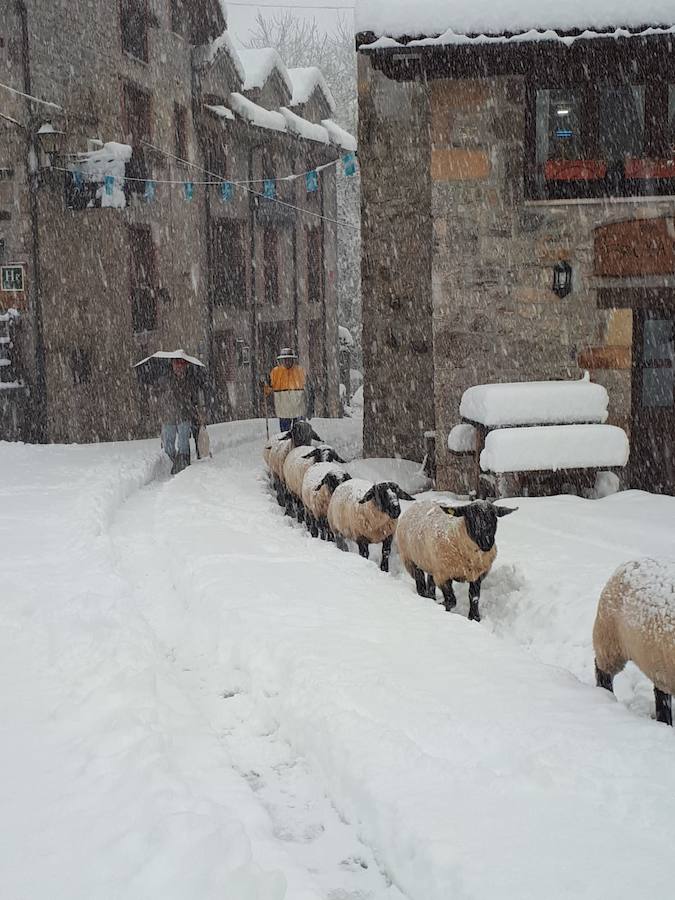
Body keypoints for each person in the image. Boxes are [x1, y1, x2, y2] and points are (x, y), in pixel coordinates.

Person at [160, 358, 205, 474]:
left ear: (185, 366)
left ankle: (183, 464)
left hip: (184, 414)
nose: (179, 368)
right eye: (176, 365)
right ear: (173, 365)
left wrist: (196, 410)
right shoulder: (166, 379)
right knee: (168, 443)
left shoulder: (190, 380)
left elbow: (193, 398)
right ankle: (173, 462)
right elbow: (161, 395)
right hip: (168, 415)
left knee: (183, 442)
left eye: (181, 365)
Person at [264, 348, 307, 432]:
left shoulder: (300, 371)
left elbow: (308, 388)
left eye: (289, 359)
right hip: (283, 408)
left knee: (299, 432)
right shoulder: (275, 372)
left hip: (298, 407)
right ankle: (287, 444)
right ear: (282, 360)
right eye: (285, 359)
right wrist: (265, 388)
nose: (287, 362)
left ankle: (299, 444)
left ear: (293, 359)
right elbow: (269, 387)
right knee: (285, 432)